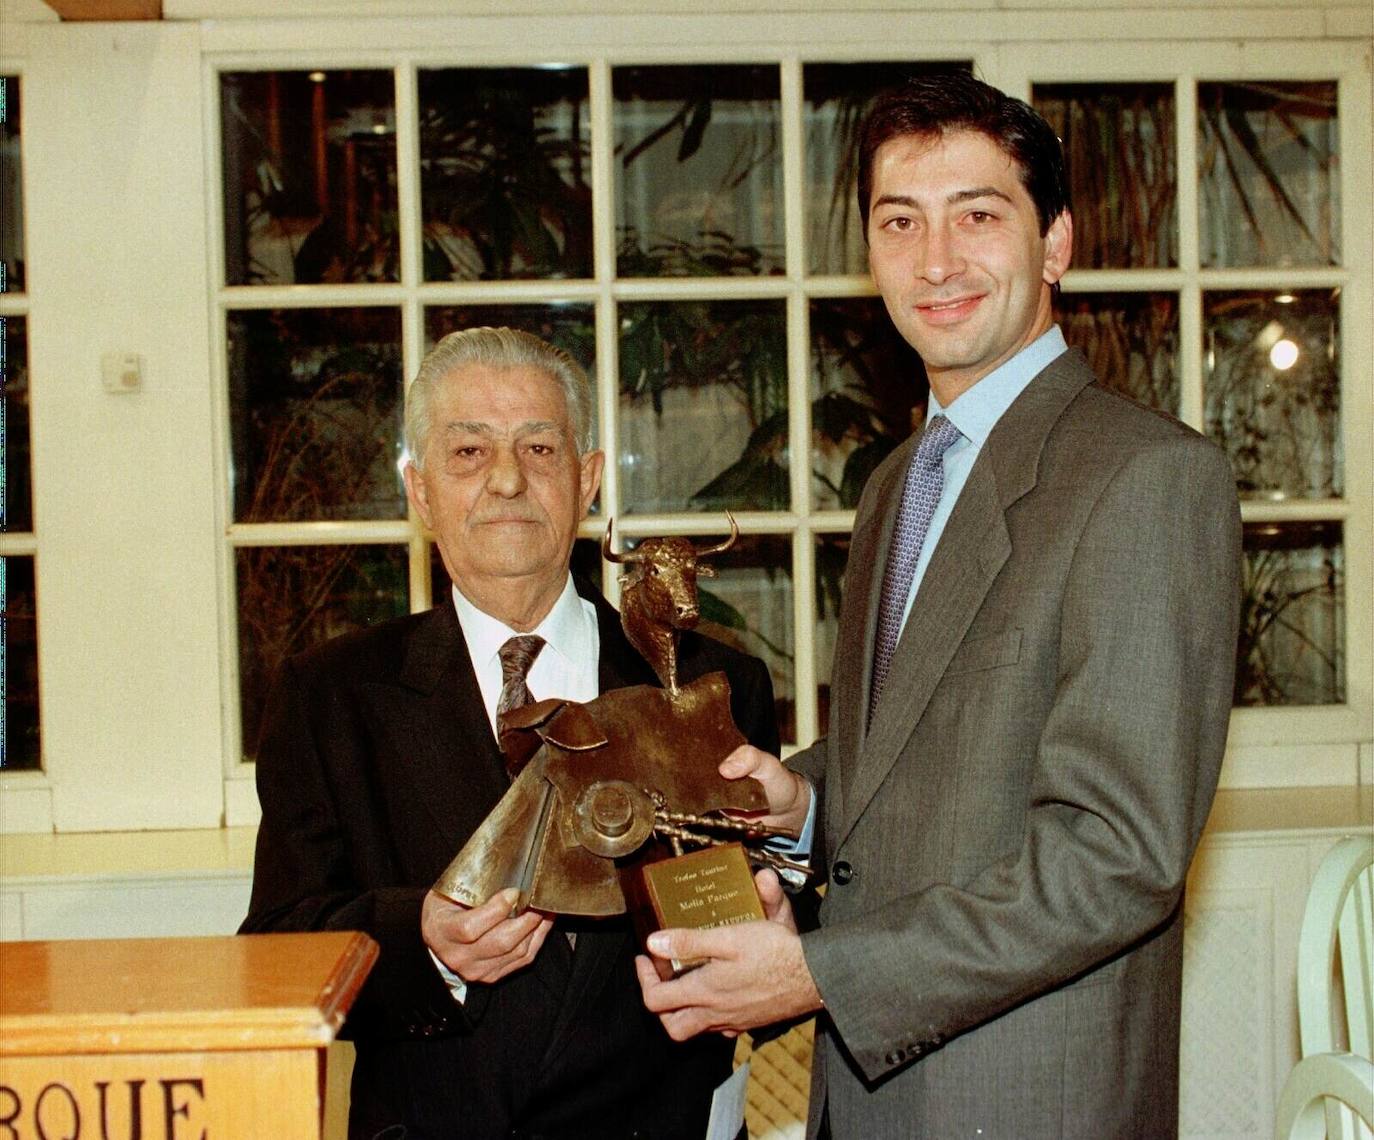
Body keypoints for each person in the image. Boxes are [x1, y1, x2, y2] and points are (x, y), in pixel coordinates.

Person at [635, 73, 1242, 1139]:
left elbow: (1116, 855)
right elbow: (930, 753)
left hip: (1025, 1100)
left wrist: (819, 974)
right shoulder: (898, 484)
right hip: (870, 1101)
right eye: (899, 221)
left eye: (979, 215)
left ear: (1055, 242)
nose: (937, 261)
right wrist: (806, 803)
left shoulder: (1147, 478)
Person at [241, 326, 778, 1140]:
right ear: (419, 493)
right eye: (467, 452)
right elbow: (277, 954)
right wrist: (422, 942)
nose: (505, 480)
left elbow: (771, 950)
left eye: (538, 447)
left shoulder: (709, 687)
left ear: (588, 480)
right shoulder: (332, 698)